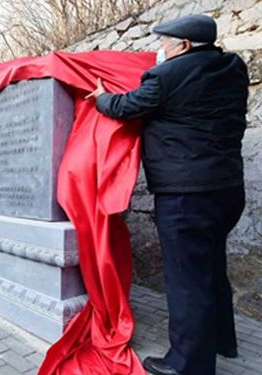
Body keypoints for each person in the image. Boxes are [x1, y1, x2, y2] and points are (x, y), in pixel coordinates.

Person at [87, 15, 249, 375]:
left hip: (185, 197)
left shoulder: (167, 77)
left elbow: (126, 107)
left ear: (185, 45)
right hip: (227, 192)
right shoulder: (233, 70)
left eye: (165, 43)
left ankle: (187, 364)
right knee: (211, 268)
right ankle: (224, 340)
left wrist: (100, 98)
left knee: (186, 280)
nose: (160, 50)